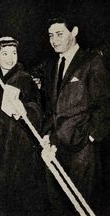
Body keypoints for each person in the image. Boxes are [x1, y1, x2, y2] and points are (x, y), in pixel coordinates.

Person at [42, 16, 110, 215]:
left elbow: (105, 103)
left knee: (81, 206)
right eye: (50, 35)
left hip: (82, 151)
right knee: (58, 206)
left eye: (59, 34)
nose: (54, 40)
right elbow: (51, 107)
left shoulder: (92, 61)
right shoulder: (52, 65)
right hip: (56, 148)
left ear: (75, 32)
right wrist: (47, 135)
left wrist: (91, 136)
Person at [0, 37, 48, 216]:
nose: (10, 58)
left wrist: (22, 109)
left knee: (14, 200)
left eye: (13, 53)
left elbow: (37, 112)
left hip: (17, 152)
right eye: (4, 53)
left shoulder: (24, 79)